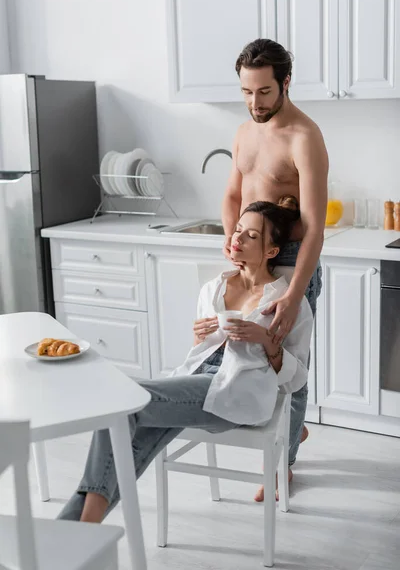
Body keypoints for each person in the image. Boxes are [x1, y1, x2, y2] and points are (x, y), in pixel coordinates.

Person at [58, 198, 313, 523]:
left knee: (122, 401)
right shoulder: (213, 288)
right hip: (196, 382)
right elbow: (198, 354)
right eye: (237, 230)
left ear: (271, 251)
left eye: (251, 236)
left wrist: (266, 341)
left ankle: (82, 527)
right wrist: (199, 336)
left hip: (238, 394)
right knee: (128, 435)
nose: (237, 239)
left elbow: (297, 379)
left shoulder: (287, 301)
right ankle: (77, 528)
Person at [222, 39, 328, 501]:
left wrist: (293, 294)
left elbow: (315, 229)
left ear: (286, 82)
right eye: (247, 92)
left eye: (264, 92)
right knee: (255, 363)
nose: (255, 103)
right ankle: (293, 433)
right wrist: (233, 246)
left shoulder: (305, 137)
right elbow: (232, 195)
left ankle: (282, 464)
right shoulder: (244, 131)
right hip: (250, 262)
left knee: (290, 367)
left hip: (288, 265)